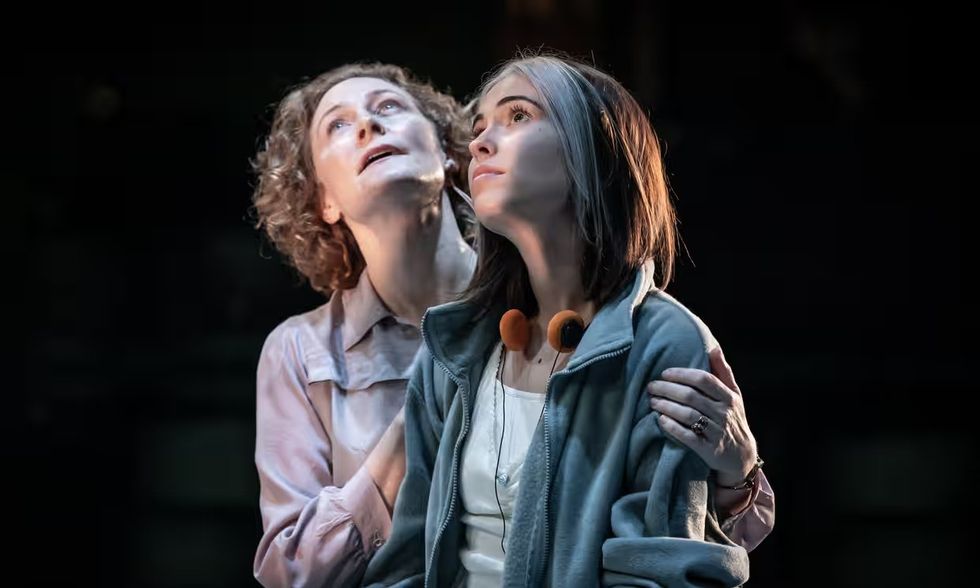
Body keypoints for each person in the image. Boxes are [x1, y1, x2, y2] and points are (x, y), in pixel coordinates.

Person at [251, 61, 772, 588]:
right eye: (337, 124)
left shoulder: (645, 332)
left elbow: (684, 539)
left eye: (389, 107)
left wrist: (739, 476)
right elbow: (314, 571)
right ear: (323, 200)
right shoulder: (320, 351)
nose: (367, 126)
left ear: (445, 151)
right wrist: (422, 418)